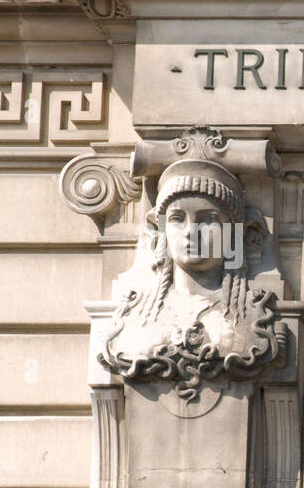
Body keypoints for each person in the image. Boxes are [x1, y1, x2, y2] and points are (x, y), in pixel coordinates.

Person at [101, 158, 277, 398]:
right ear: (161, 231)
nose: (190, 232)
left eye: (208, 220)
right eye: (176, 218)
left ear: (234, 233)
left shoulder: (253, 316)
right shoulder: (133, 316)